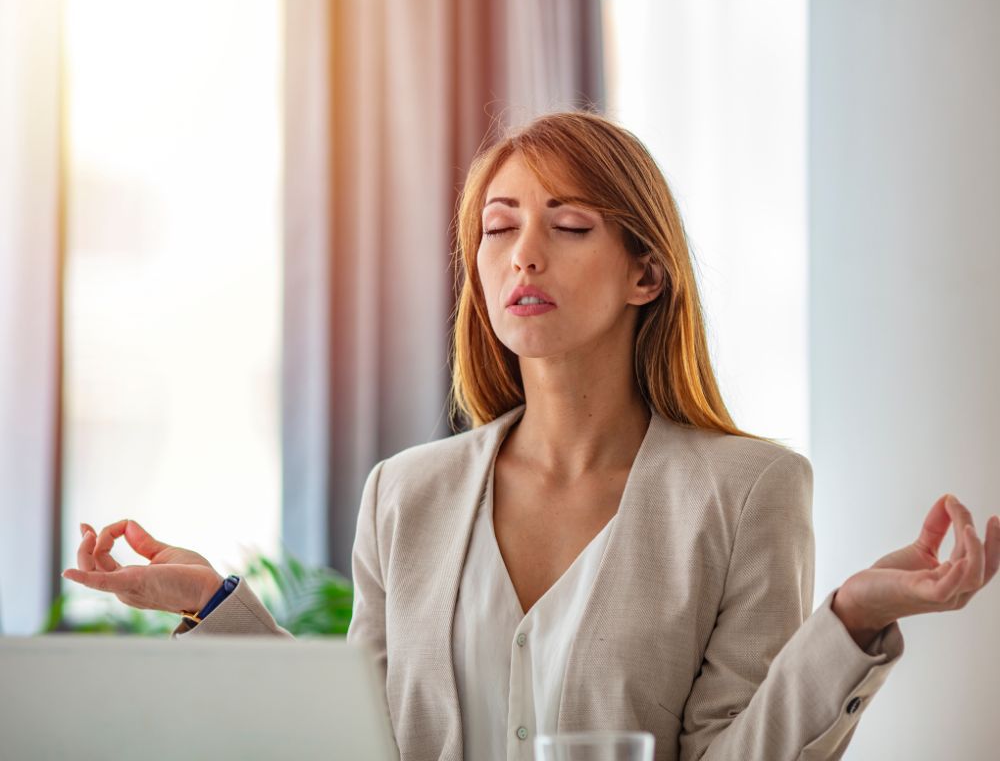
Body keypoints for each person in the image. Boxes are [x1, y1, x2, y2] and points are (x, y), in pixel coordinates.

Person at [63, 111, 999, 761]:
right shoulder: (405, 493)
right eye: (499, 228)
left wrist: (852, 619)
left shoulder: (750, 490)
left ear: (646, 273)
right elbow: (362, 738)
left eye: (570, 225)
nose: (524, 254)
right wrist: (213, 601)